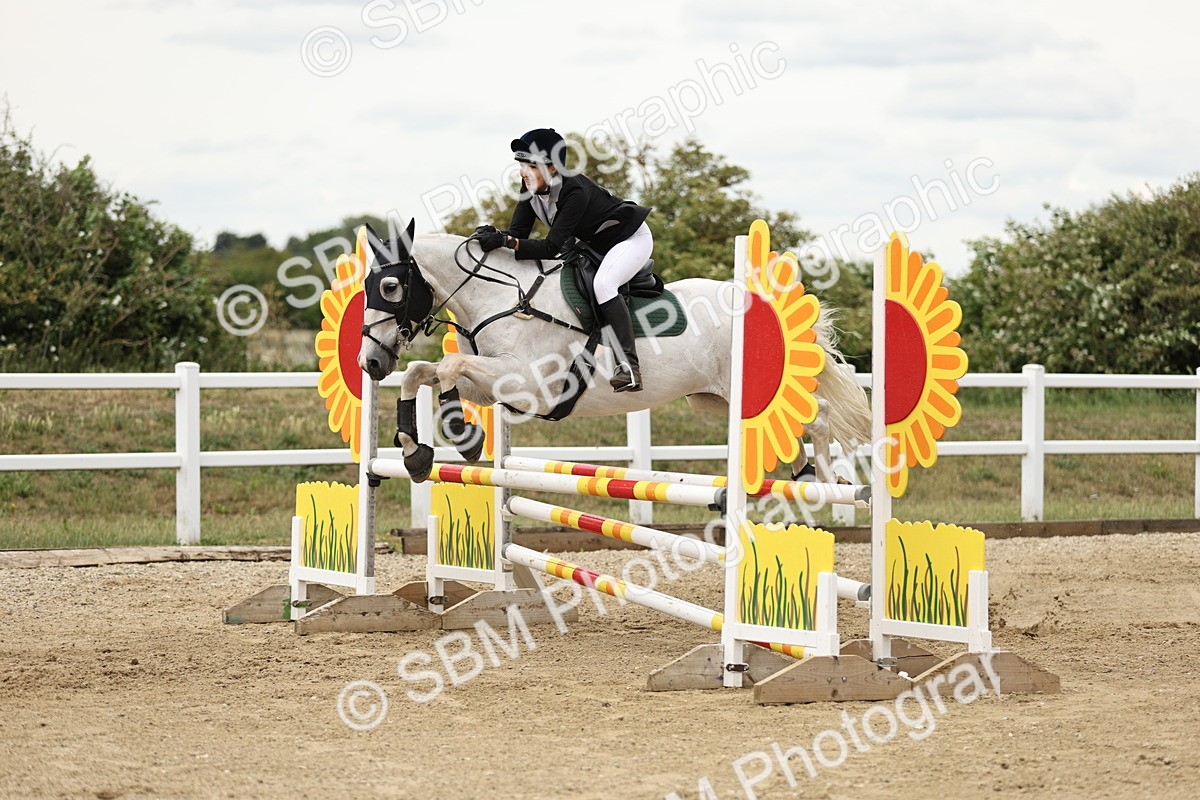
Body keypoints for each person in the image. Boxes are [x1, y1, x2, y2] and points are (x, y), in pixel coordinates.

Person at [475, 128, 652, 393]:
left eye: (531, 166)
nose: (524, 172)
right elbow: (518, 234)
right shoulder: (529, 189)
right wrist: (497, 236)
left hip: (628, 240)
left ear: (554, 168)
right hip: (593, 246)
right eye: (522, 165)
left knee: (604, 285)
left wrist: (506, 242)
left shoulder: (575, 191)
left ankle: (628, 366)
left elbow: (550, 246)